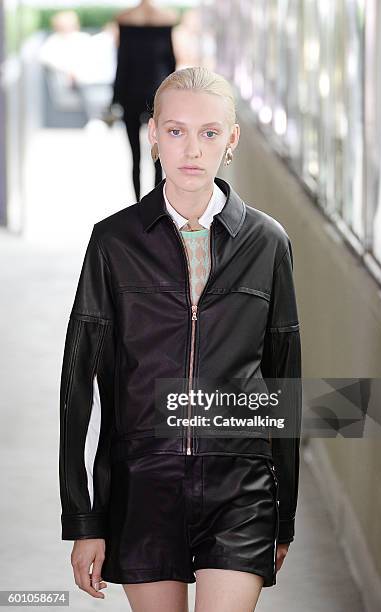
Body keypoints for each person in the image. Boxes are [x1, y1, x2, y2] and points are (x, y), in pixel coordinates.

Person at [59, 66, 302, 612]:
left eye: (209, 133)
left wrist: (282, 514)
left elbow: (285, 386)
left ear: (231, 140)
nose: (192, 149)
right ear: (152, 134)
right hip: (142, 484)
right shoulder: (112, 242)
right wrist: (83, 518)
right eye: (175, 131)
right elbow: (78, 390)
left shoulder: (267, 244)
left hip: (239, 488)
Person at [111, 0, 179, 200]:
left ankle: (138, 205)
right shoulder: (165, 20)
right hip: (157, 94)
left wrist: (115, 97)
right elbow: (171, 64)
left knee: (136, 156)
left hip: (131, 93)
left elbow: (122, 64)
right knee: (159, 155)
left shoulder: (125, 20)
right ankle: (156, 205)